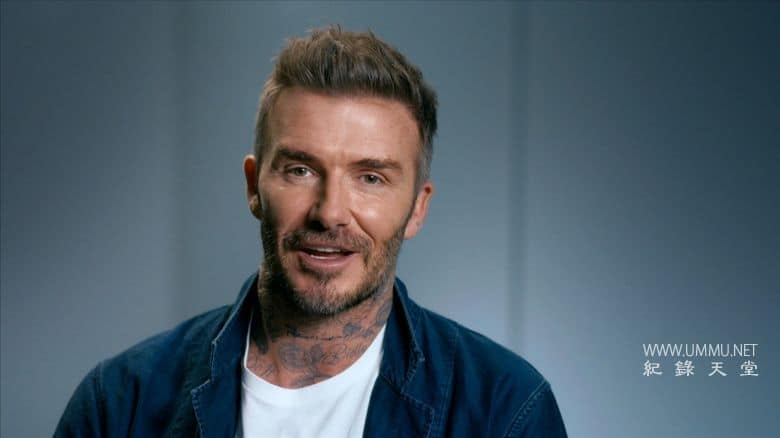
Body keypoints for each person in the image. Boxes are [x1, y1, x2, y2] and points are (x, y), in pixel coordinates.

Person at [55, 25, 567, 437]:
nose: (330, 212)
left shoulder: (505, 411)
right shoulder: (120, 404)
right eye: (300, 170)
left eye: (370, 178)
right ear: (254, 186)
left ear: (417, 208)